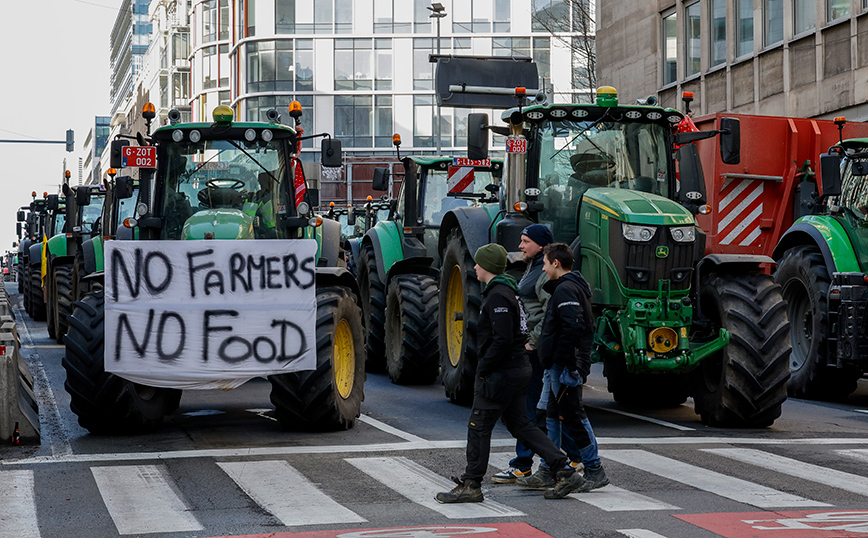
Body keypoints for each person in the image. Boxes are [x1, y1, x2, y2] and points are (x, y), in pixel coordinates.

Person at [435, 243, 584, 504]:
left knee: (478, 426)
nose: (476, 267)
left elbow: (502, 339)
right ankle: (564, 469)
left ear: (488, 267)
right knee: (522, 426)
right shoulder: (506, 291)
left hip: (501, 373)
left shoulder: (498, 295)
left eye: (479, 263)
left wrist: (483, 369)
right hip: (516, 369)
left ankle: (471, 484)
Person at [492, 224, 581, 487]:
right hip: (536, 349)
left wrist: (531, 343)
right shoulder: (533, 268)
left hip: (537, 351)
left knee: (529, 410)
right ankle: (573, 458)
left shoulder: (543, 276)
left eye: (525, 241)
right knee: (548, 410)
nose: (520, 246)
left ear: (540, 245)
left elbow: (547, 313)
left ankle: (522, 465)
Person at [538, 242, 609, 498]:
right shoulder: (570, 287)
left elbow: (573, 327)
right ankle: (551, 468)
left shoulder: (566, 289)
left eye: (545, 263)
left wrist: (566, 363)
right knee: (553, 414)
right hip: (561, 365)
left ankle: (594, 469)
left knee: (574, 416)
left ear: (556, 263)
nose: (544, 269)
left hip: (564, 366)